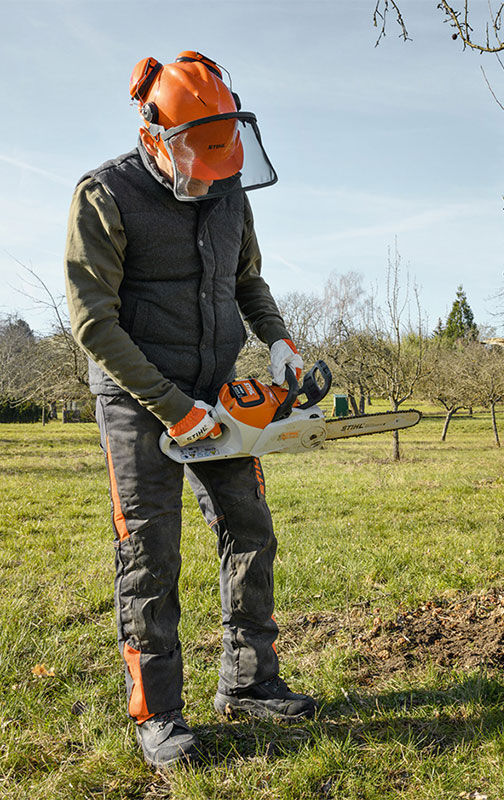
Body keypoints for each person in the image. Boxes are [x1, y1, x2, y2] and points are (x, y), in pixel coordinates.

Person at [64, 51, 316, 770]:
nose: (210, 178)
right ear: (155, 136)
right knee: (151, 551)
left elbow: (248, 282)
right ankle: (159, 713)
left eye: (221, 163)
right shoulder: (104, 194)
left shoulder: (231, 185)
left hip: (216, 385)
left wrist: (278, 342)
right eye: (198, 163)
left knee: (250, 530)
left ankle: (250, 680)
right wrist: (173, 408)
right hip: (136, 393)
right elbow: (93, 323)